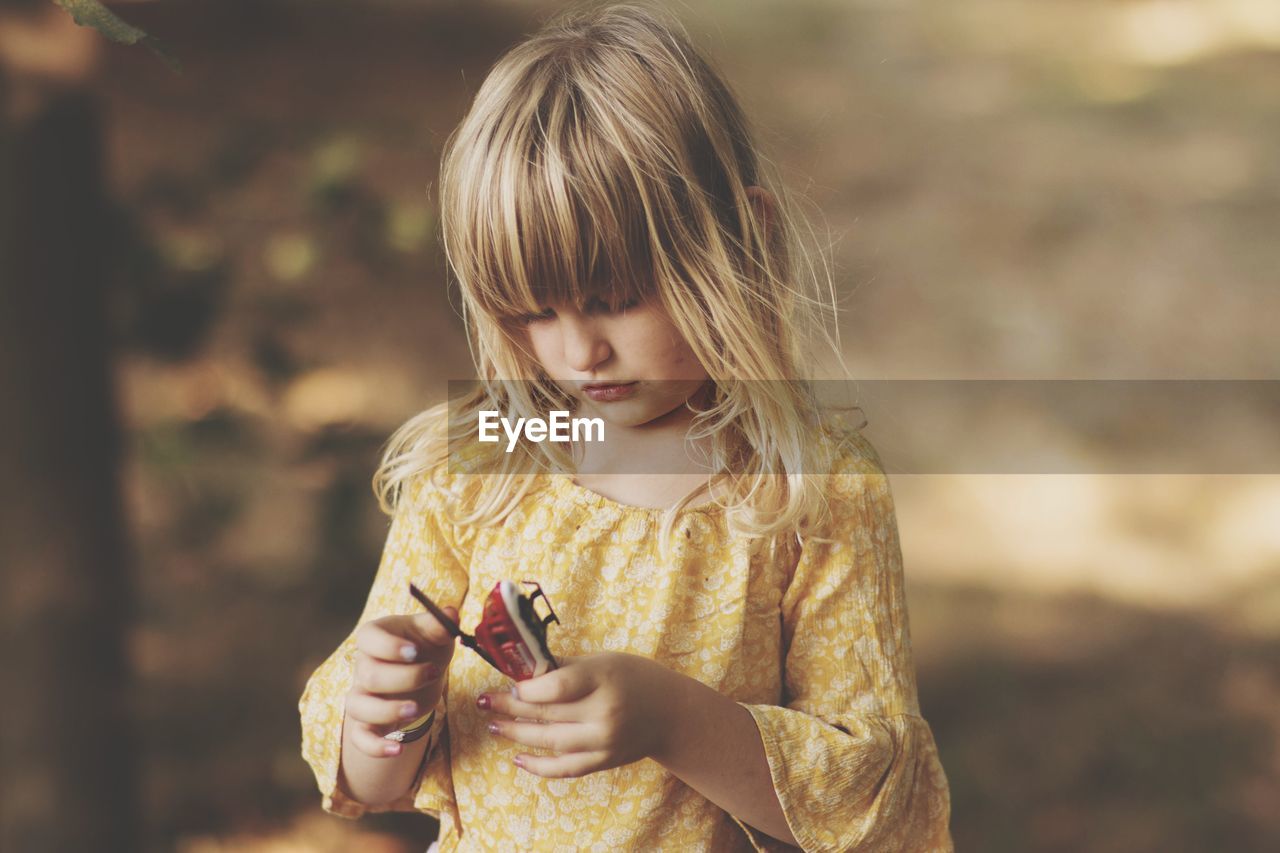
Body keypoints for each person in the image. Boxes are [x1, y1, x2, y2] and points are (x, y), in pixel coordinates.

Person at [299, 4, 953, 850]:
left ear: (739, 241)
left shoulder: (809, 486)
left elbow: (869, 810)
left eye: (614, 300)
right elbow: (376, 781)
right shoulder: (483, 468)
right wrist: (384, 709)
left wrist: (675, 720)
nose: (580, 351)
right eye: (534, 312)